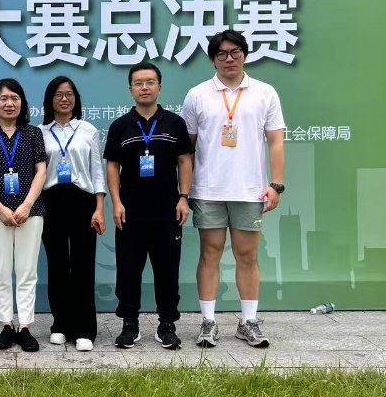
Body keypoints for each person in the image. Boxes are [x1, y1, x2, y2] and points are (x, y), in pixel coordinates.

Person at [181, 30, 285, 349]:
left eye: (235, 52)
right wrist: (184, 191)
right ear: (212, 59)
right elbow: (187, 149)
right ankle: (208, 322)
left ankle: (248, 321)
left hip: (250, 190)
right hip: (208, 190)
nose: (230, 59)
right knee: (210, 254)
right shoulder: (197, 95)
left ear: (245, 55)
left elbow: (276, 141)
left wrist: (276, 184)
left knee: (247, 255)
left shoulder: (264, 93)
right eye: (222, 54)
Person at [105, 62, 193, 350]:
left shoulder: (174, 123)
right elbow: (113, 166)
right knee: (128, 270)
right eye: (139, 83)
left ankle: (167, 324)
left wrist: (184, 197)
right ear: (130, 89)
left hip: (168, 211)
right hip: (130, 212)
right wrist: (116, 202)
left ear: (159, 87)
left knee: (167, 270)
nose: (145, 87)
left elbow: (184, 161)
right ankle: (129, 324)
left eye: (150, 82)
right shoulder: (120, 126)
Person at [0, 79, 46, 352]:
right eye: (3, 98)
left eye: (15, 98)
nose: (9, 103)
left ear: (22, 103)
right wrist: (1, 208)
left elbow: (41, 172)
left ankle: (25, 326)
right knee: (1, 271)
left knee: (27, 271)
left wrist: (27, 205)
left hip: (31, 212)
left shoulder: (33, 134)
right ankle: (5, 324)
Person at [39, 76, 106, 352]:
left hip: (82, 201)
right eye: (58, 94)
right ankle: (60, 324)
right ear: (50, 99)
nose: (64, 99)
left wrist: (99, 208)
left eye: (69, 94)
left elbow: (97, 172)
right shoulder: (40, 132)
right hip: (51, 200)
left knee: (82, 265)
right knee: (57, 265)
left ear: (76, 99)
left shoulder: (88, 130)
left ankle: (84, 328)